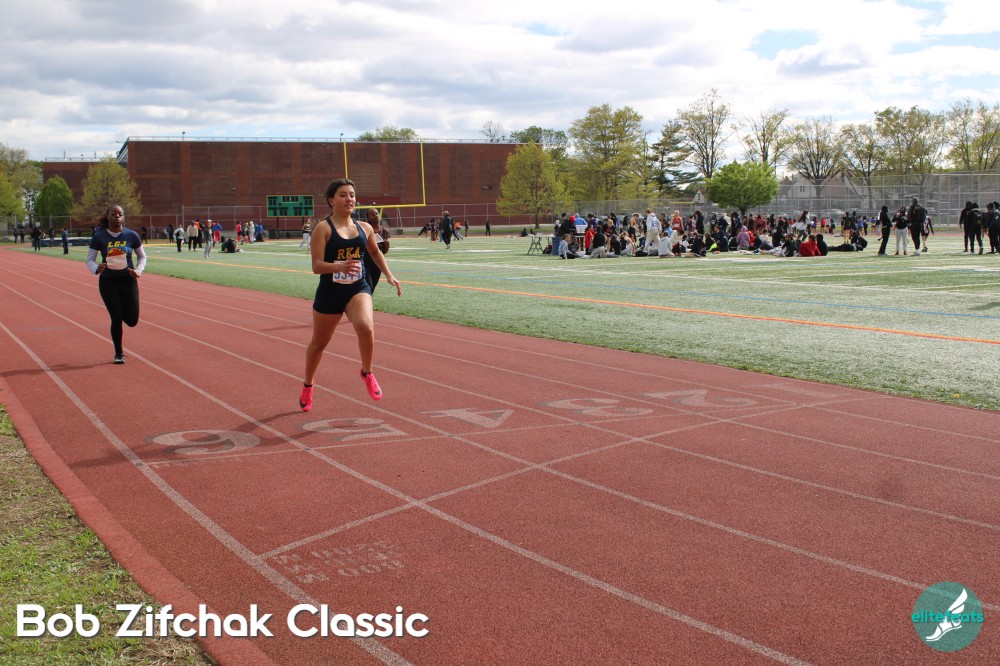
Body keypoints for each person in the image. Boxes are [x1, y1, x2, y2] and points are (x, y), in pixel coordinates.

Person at [299, 178, 402, 412]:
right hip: (330, 291)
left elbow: (375, 252)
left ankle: (367, 372)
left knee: (366, 326)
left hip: (357, 287)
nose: (349, 199)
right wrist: (339, 266)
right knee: (318, 344)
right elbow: (316, 266)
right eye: (343, 195)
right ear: (331, 200)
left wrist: (389, 275)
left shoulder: (364, 228)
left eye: (352, 195)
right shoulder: (323, 229)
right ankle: (308, 384)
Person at [86, 205, 146, 364]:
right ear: (108, 217)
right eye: (113, 214)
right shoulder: (99, 237)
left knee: (132, 320)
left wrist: (138, 270)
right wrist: (96, 269)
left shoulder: (131, 235)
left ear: (123, 217)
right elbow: (90, 259)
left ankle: (121, 310)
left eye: (120, 214)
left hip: (128, 280)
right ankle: (119, 353)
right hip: (108, 282)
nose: (117, 216)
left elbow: (142, 256)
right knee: (116, 318)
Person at [363, 207, 391, 292]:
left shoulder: (385, 231)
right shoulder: (365, 229)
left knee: (372, 288)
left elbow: (384, 252)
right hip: (365, 262)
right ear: (368, 218)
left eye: (376, 213)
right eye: (372, 215)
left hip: (377, 264)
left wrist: (386, 246)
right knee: (368, 287)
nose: (375, 216)